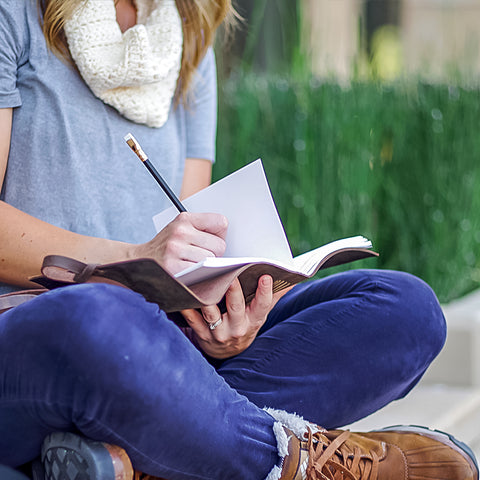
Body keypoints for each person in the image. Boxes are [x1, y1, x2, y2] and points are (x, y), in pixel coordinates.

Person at [0, 0, 477, 479]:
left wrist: (221, 320)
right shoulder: (13, 15)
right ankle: (295, 462)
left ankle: (137, 457)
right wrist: (133, 258)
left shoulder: (185, 38)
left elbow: (187, 238)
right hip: (43, 332)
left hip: (163, 339)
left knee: (405, 310)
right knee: (103, 315)